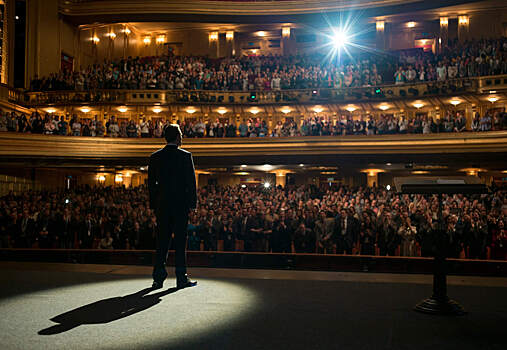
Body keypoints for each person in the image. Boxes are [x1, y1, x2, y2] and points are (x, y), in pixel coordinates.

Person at [149, 123, 197, 290]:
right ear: (177, 137)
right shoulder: (185, 156)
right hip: (180, 206)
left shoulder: (155, 157)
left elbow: (151, 185)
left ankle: (158, 279)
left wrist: (153, 205)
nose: (182, 137)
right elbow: (191, 183)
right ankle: (181, 278)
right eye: (181, 134)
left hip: (162, 206)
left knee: (162, 242)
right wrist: (192, 204)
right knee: (180, 243)